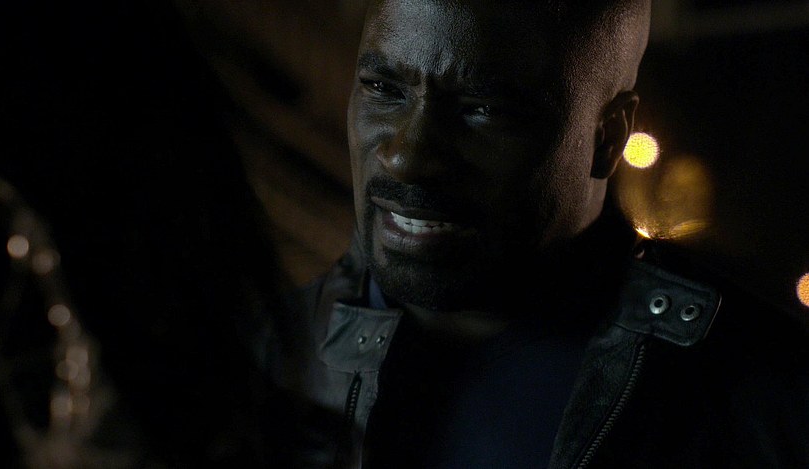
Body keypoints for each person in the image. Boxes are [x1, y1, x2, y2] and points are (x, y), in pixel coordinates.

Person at [257, 0, 809, 468]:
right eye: (383, 88)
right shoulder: (257, 364)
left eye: (483, 110)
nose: (408, 156)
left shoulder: (764, 399)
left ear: (608, 137)